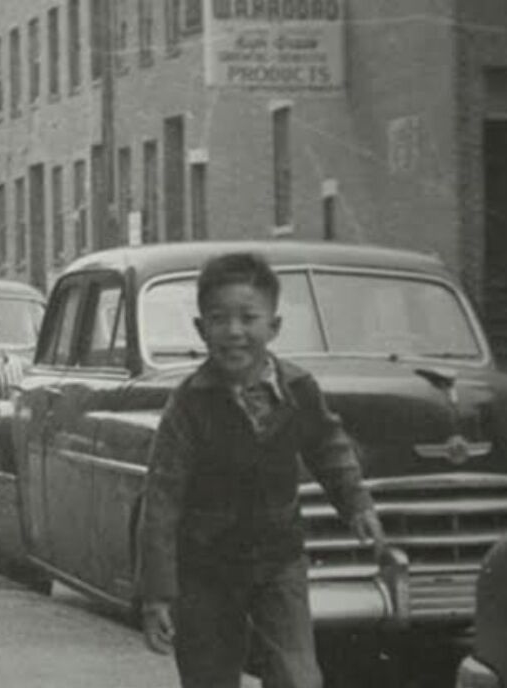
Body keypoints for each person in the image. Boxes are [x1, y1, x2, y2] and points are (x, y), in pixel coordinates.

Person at [138, 252, 388, 688]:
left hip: (279, 560)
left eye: (248, 318)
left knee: (298, 676)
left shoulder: (298, 390)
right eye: (219, 319)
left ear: (273, 327)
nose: (234, 332)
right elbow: (161, 500)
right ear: (201, 329)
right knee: (210, 676)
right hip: (205, 570)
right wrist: (157, 594)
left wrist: (357, 504)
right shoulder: (189, 404)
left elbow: (330, 448)